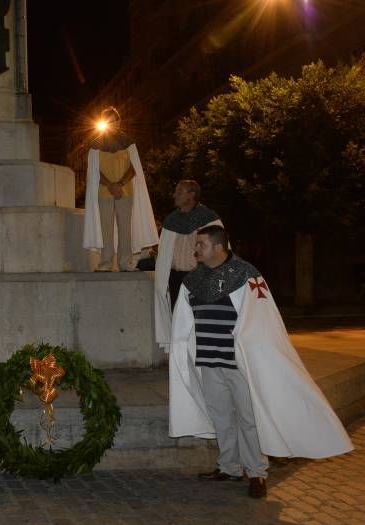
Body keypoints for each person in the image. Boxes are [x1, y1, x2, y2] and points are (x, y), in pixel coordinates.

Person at [169, 226, 353, 499]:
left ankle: (256, 472)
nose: (195, 249)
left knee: (248, 418)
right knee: (221, 417)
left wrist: (252, 354)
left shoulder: (246, 275)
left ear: (218, 247)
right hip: (208, 361)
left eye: (200, 244)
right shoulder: (192, 281)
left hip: (238, 363)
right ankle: (229, 467)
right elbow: (184, 324)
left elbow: (261, 321)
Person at [83, 107, 158, 271]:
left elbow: (134, 168)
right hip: (104, 192)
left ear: (119, 122)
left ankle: (125, 263)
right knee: (106, 229)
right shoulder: (95, 145)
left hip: (125, 192)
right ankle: (106, 263)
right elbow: (94, 171)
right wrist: (110, 185)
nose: (113, 123)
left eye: (115, 120)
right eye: (109, 120)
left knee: (125, 228)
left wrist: (120, 184)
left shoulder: (128, 143)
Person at [154, 180, 223, 351]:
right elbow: (165, 253)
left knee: (199, 318)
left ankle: (201, 352)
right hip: (176, 278)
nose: (174, 195)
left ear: (191, 195)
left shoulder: (209, 219)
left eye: (179, 191)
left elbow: (219, 252)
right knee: (179, 318)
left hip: (200, 277)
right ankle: (181, 354)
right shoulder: (171, 220)